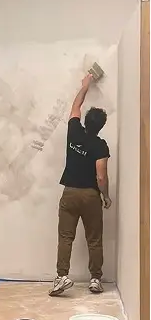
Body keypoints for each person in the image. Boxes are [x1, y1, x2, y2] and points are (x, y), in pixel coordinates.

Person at [49, 73, 111, 297]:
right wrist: (106, 196)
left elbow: (76, 105)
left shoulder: (74, 131)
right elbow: (101, 177)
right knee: (94, 239)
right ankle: (95, 279)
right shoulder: (100, 145)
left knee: (66, 237)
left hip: (69, 193)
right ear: (101, 126)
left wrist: (85, 85)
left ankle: (61, 277)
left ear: (85, 121)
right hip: (89, 196)